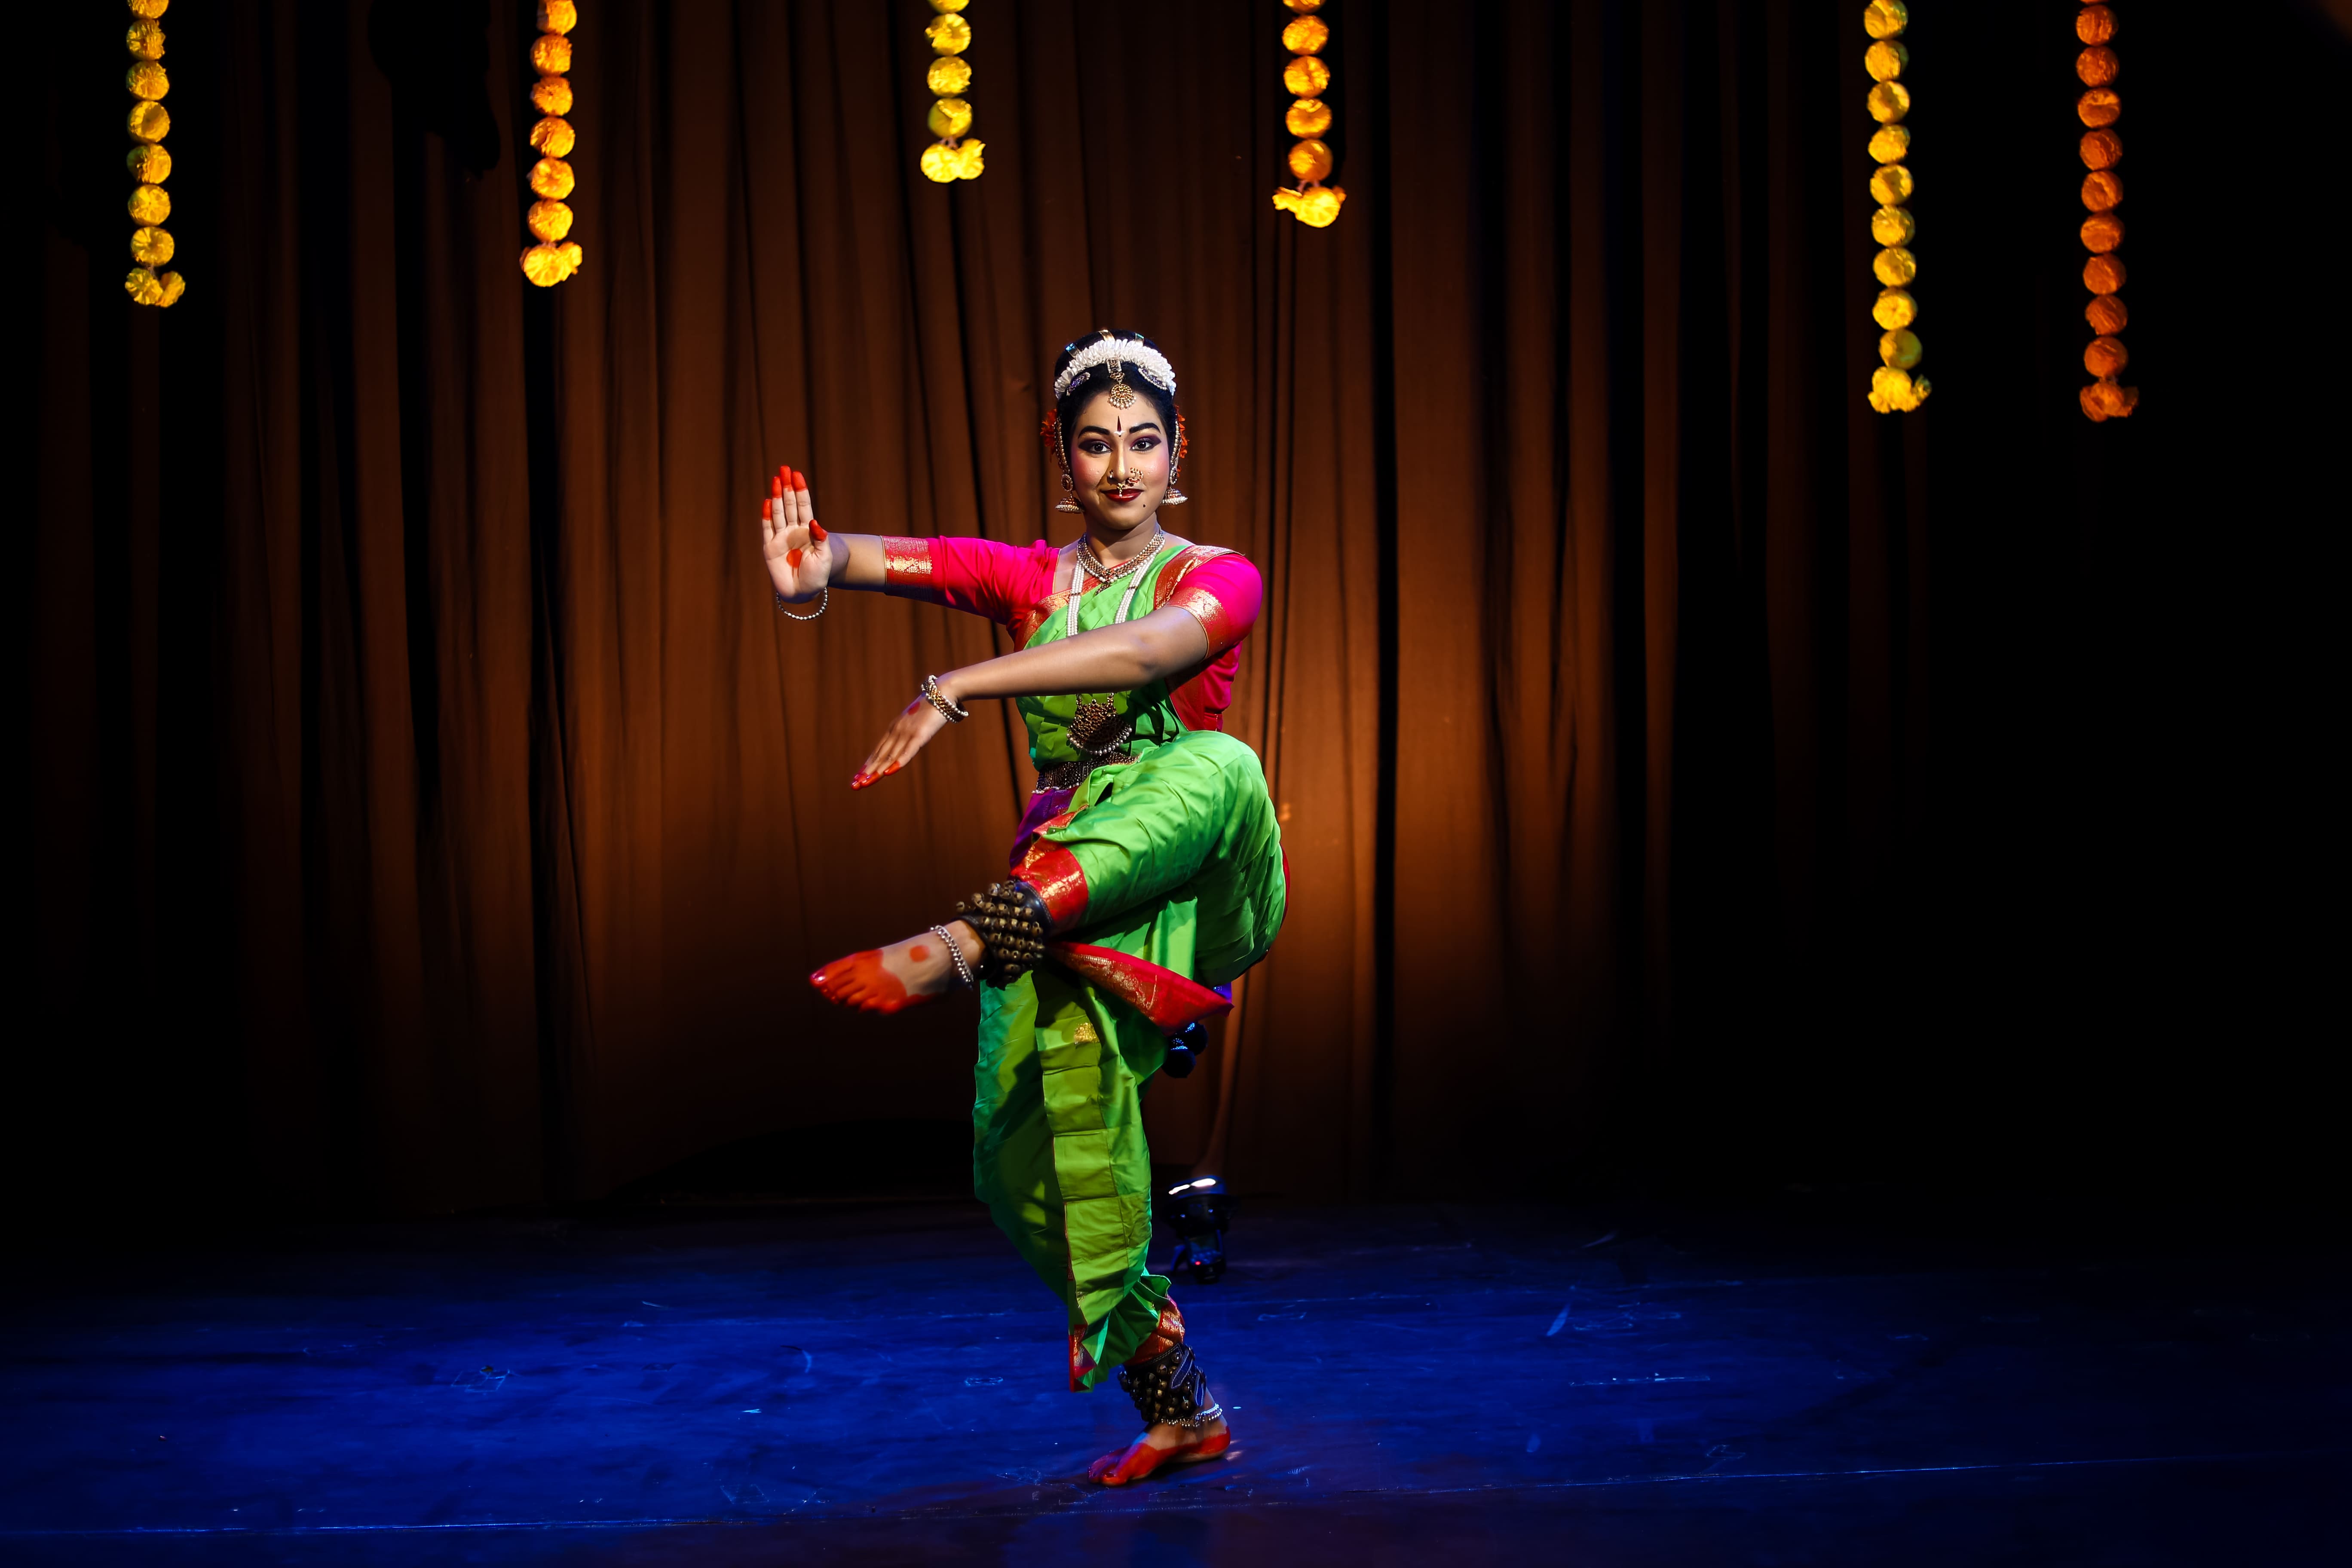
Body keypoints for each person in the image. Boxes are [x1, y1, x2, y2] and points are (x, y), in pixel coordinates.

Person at [760, 331, 1285, 1486]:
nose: (1121, 468)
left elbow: (1149, 652)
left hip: (1193, 872)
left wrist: (958, 683)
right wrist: (816, 567)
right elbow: (878, 556)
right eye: (1094, 445)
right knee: (1016, 1165)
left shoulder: (1221, 573)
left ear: (1177, 450)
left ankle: (957, 944)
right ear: (1063, 457)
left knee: (1220, 764)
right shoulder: (1027, 579)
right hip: (1059, 899)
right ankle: (1179, 1402)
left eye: (1144, 442)